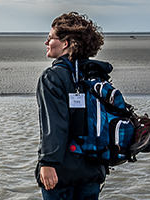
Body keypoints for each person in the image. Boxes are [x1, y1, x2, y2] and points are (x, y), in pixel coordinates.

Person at [35, 12, 111, 199]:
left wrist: (48, 163)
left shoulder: (52, 77)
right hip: (93, 168)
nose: (46, 42)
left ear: (66, 44)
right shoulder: (96, 75)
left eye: (50, 38)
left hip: (61, 171)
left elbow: (55, 124)